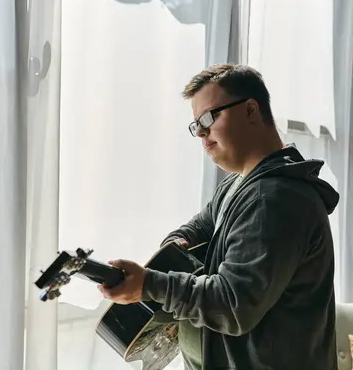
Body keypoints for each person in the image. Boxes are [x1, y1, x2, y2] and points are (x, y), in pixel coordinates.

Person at [98, 64, 339, 369]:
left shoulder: (273, 199)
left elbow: (232, 305)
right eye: (195, 124)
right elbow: (199, 226)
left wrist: (149, 285)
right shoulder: (239, 185)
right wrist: (176, 246)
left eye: (209, 118)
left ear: (251, 110)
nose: (200, 132)